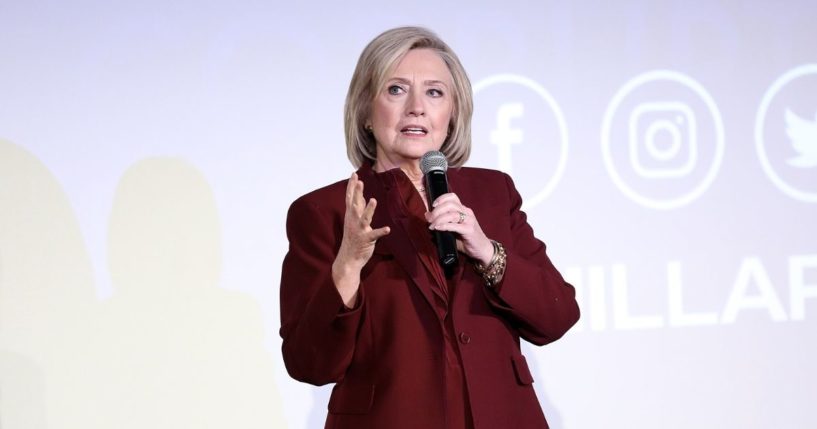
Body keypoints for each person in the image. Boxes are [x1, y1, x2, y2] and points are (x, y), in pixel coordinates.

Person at [279, 26, 580, 429]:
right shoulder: (324, 211)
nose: (417, 107)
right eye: (396, 90)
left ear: (452, 113)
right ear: (366, 111)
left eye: (434, 92)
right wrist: (347, 264)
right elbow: (308, 363)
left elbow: (556, 316)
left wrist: (488, 252)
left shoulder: (492, 193)